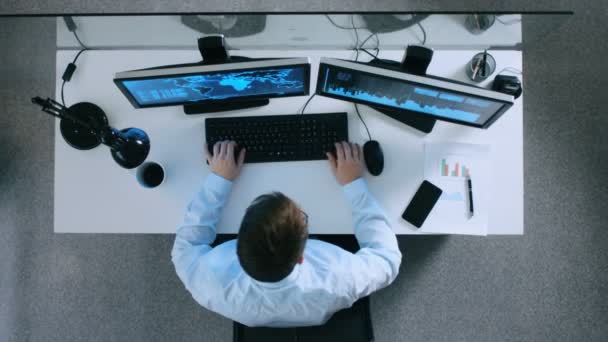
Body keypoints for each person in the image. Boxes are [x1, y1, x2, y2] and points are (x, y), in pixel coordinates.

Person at [171, 140, 402, 327]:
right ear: (302, 257)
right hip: (316, 310)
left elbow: (186, 245)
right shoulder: (339, 277)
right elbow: (388, 260)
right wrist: (353, 184)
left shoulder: (208, 283)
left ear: (237, 247)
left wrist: (218, 179)